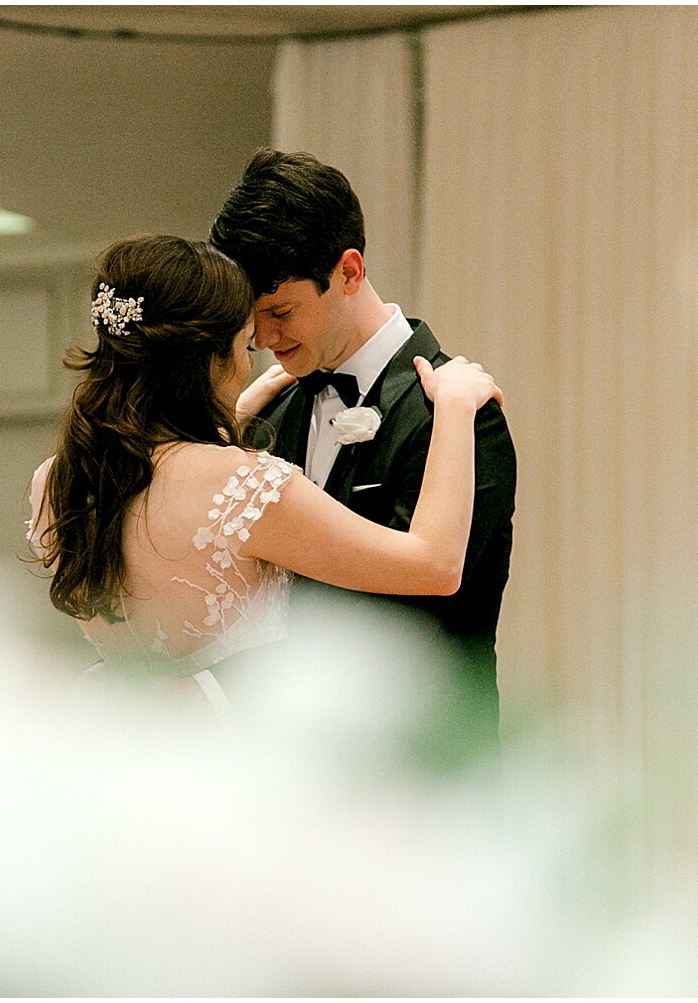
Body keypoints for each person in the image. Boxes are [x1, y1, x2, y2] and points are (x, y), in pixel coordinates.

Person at [26, 234, 503, 721]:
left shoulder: (58, 483)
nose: (254, 358)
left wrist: (229, 415)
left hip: (120, 748)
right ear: (209, 360)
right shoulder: (245, 485)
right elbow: (435, 565)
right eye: (243, 344)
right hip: (244, 750)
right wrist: (456, 407)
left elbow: (159, 486)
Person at [209, 150, 517, 745]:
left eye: (282, 312)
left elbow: (415, 614)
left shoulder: (460, 414)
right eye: (253, 320)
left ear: (348, 271)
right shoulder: (271, 409)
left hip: (425, 769)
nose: (265, 339)